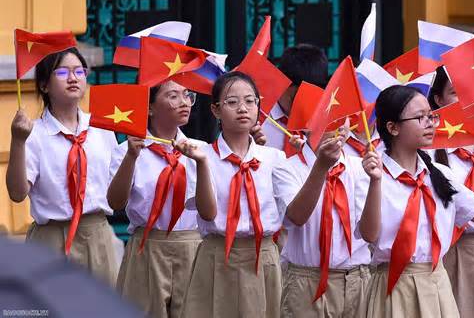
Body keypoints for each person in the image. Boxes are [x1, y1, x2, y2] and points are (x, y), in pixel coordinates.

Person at [358, 85, 474, 317]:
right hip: (393, 285)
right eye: (420, 117)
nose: (430, 123)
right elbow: (369, 234)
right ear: (392, 127)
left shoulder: (439, 174)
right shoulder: (373, 174)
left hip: (437, 282)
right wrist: (375, 182)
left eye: (431, 115)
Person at [6, 48, 119, 284]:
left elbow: (118, 191)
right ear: (45, 85)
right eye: (63, 72)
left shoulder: (102, 127)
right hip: (50, 240)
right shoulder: (32, 133)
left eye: (79, 71)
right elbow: (17, 194)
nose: (73, 77)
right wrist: (18, 140)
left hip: (97, 235)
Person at [181, 71, 284, 318]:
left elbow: (293, 214)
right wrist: (203, 163)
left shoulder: (274, 158)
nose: (242, 108)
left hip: (263, 255)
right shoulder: (201, 154)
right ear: (216, 110)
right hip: (218, 256)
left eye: (250, 101)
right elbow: (208, 212)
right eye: (232, 102)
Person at [108, 80, 209, 318]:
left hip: (192, 246)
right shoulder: (127, 150)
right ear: (149, 107)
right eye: (173, 96)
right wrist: (132, 157)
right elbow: (115, 203)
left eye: (187, 94)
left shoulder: (201, 151)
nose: (184, 102)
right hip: (147, 247)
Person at [427, 66, 474, 318]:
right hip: (453, 249)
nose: (465, 99)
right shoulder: (431, 136)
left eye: (469, 91)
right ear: (438, 100)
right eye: (454, 93)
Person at [273, 125, 372, 317]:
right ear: (308, 124)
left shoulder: (360, 167)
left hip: (357, 279)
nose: (342, 127)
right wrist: (321, 166)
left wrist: (376, 180)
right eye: (332, 118)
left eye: (344, 119)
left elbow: (369, 232)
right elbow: (297, 216)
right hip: (308, 280)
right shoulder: (287, 167)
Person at [261, 44, 328, 152]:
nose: (304, 102)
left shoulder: (327, 125)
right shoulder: (259, 121)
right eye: (298, 95)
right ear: (283, 83)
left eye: (312, 95)